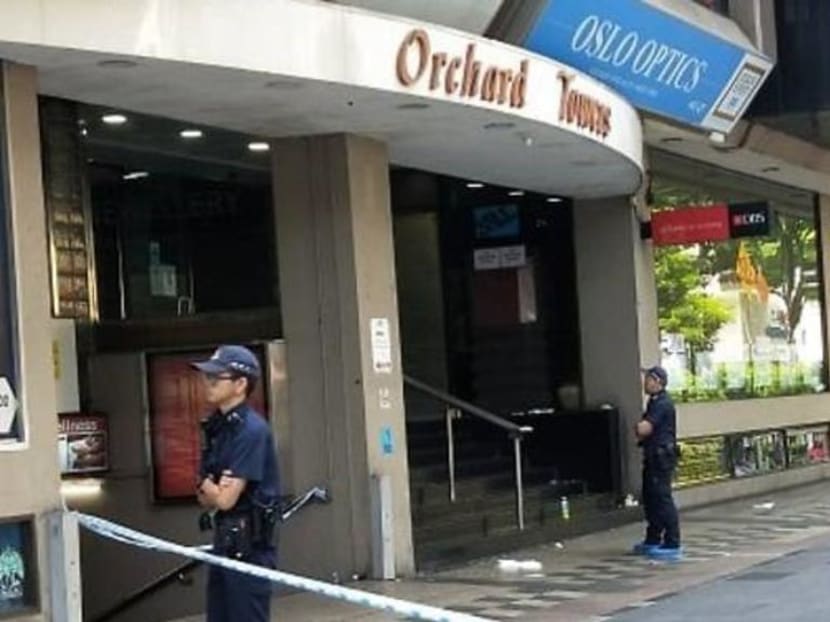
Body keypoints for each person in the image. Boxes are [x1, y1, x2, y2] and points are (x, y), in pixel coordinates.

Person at [192, 345, 281, 622]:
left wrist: (213, 488)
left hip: (249, 545)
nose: (208, 383)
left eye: (216, 378)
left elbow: (224, 499)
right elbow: (203, 493)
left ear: (241, 384)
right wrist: (211, 486)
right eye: (207, 377)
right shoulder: (218, 426)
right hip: (224, 539)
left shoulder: (251, 430)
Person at [632, 365, 682, 561]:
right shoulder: (653, 402)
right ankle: (653, 538)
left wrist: (638, 427)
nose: (645, 383)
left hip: (661, 458)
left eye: (648, 379)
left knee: (662, 498)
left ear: (658, 381)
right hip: (653, 456)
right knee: (651, 498)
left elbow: (644, 429)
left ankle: (672, 541)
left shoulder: (662, 403)